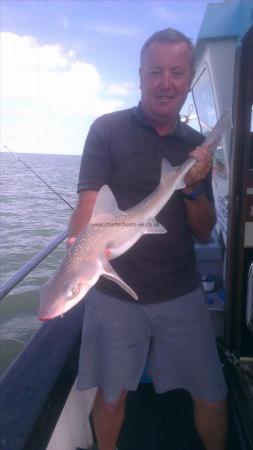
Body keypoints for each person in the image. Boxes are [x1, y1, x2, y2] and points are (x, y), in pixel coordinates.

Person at [67, 28, 227, 450]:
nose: (165, 82)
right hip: (114, 297)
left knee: (212, 395)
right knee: (111, 394)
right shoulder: (107, 129)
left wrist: (193, 187)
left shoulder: (196, 146)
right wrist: (75, 258)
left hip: (180, 291)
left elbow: (204, 230)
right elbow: (88, 204)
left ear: (188, 79)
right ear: (139, 76)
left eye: (176, 72)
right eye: (155, 71)